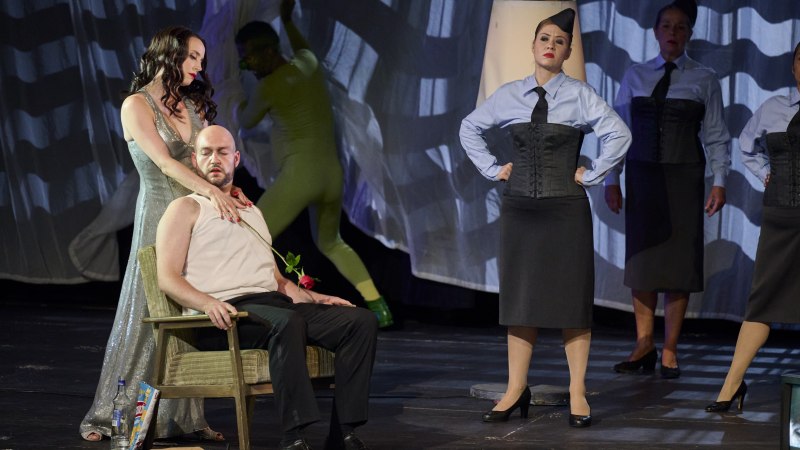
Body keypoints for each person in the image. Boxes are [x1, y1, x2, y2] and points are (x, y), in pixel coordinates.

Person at [156, 125, 378, 450]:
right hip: (227, 316)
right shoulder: (186, 208)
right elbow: (168, 277)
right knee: (288, 322)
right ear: (194, 160)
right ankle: (294, 437)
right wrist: (206, 303)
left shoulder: (251, 211)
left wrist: (318, 298)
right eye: (206, 152)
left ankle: (343, 433)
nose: (214, 159)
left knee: (359, 322)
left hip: (273, 307)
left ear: (235, 159)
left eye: (221, 152)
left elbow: (278, 281)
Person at [80, 26, 253, 442]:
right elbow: (164, 163)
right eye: (192, 57)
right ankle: (111, 414)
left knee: (190, 314)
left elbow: (202, 163)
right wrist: (212, 190)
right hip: (158, 215)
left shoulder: (193, 107)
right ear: (168, 56)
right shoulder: (135, 105)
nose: (198, 66)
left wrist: (227, 186)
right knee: (147, 313)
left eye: (200, 59)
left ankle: (185, 416)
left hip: (194, 217)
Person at [459, 9, 631, 428]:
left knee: (571, 301)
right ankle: (515, 388)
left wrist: (591, 175)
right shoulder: (510, 94)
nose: (550, 46)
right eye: (544, 39)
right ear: (534, 46)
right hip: (519, 209)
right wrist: (493, 168)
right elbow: (470, 127)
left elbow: (619, 134)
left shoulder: (580, 94)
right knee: (521, 300)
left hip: (564, 209)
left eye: (558, 41)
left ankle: (576, 391)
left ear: (568, 51)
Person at [234, 0, 394, 328]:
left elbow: (246, 120)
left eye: (248, 57)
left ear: (264, 51)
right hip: (331, 176)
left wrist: (232, 99)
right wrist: (288, 20)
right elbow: (300, 47)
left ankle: (252, 300)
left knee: (252, 234)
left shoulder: (268, 87)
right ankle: (379, 306)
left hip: (300, 176)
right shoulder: (307, 64)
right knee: (332, 242)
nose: (247, 66)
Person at [607, 0, 731, 379]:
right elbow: (617, 131)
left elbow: (716, 136)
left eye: (680, 27)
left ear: (689, 33)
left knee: (679, 264)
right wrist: (611, 179)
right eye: (666, 26)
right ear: (656, 31)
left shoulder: (704, 78)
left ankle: (670, 349)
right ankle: (644, 343)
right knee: (643, 262)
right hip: (642, 176)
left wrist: (720, 182)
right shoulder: (635, 75)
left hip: (684, 178)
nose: (673, 33)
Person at [705, 41, 800, 413]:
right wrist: (765, 175)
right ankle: (731, 385)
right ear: (792, 66)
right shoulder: (774, 108)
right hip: (780, 215)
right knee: (761, 302)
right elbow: (746, 145)